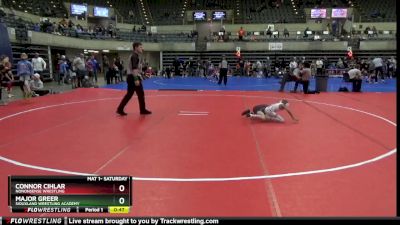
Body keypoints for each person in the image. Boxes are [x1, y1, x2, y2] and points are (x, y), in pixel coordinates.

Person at [116, 42, 151, 116]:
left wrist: (142, 73)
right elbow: (134, 68)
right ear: (136, 47)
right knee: (137, 94)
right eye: (140, 47)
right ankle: (142, 110)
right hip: (133, 77)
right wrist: (136, 79)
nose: (142, 48)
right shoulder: (134, 56)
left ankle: (120, 109)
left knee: (134, 94)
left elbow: (137, 68)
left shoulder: (136, 56)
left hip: (132, 76)